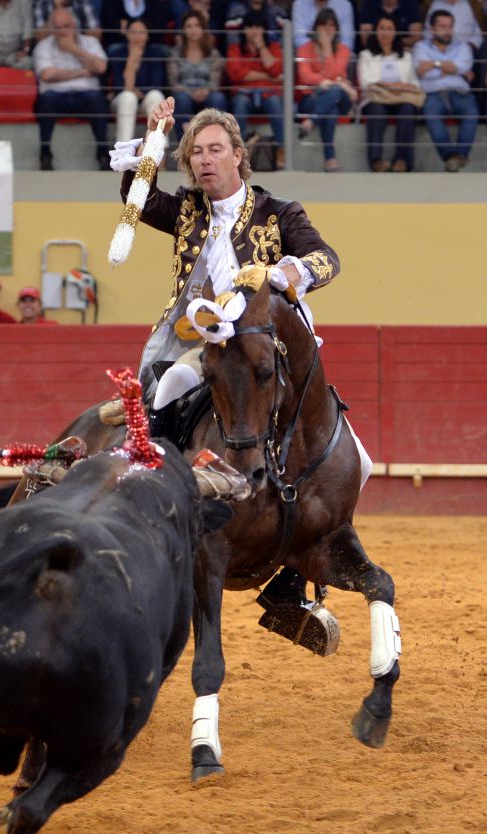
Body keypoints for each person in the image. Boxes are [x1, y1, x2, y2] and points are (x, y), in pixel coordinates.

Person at [112, 98, 363, 631]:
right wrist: (153, 138)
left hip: (265, 345)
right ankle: (154, 484)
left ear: (238, 156)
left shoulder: (279, 212)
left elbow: (327, 259)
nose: (204, 160)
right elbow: (137, 200)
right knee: (168, 384)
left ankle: (300, 567)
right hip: (202, 339)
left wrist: (286, 274)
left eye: (215, 149)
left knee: (355, 460)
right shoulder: (187, 210)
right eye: (195, 152)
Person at [32, 6, 109, 171]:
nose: (62, 31)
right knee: (45, 100)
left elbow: (100, 67)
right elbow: (47, 74)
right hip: (56, 97)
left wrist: (74, 49)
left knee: (96, 99)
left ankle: (103, 153)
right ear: (52, 29)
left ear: (74, 25)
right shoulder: (43, 46)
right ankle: (45, 153)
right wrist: (83, 72)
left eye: (66, 26)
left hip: (86, 97)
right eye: (58, 27)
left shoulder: (90, 42)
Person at [413, 8, 478, 171]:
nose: (448, 31)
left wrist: (434, 64)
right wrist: (451, 68)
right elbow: (424, 72)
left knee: (471, 112)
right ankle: (450, 156)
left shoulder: (462, 46)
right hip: (433, 94)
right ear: (432, 28)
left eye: (450, 26)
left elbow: (464, 66)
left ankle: (460, 155)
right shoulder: (420, 47)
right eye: (442, 26)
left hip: (460, 92)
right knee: (431, 114)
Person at [357, 14, 423, 171]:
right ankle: (376, 161)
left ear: (396, 32)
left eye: (389, 28)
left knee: (408, 110)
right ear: (375, 31)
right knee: (376, 110)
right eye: (381, 28)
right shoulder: (366, 55)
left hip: (401, 98)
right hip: (377, 98)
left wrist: (403, 86)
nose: (385, 32)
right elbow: (365, 82)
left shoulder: (406, 56)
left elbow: (415, 83)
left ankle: (402, 160)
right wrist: (393, 86)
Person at [296, 7, 357, 173]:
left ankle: (311, 121)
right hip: (313, 98)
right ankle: (330, 159)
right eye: (323, 25)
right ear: (316, 28)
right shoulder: (304, 49)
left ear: (336, 29)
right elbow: (305, 76)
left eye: (331, 25)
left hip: (340, 98)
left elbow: (336, 71)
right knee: (332, 108)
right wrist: (330, 81)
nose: (328, 29)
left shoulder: (343, 49)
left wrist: (327, 49)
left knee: (335, 92)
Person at [225, 8, 284, 169]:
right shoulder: (235, 48)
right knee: (240, 103)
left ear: (264, 29)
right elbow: (236, 74)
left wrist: (262, 47)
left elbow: (276, 69)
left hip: (267, 94)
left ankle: (281, 150)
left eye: (258, 27)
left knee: (275, 102)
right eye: (250, 27)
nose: (254, 31)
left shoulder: (272, 47)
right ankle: (238, 154)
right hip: (243, 93)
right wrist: (267, 77)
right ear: (244, 29)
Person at [167, 7, 226, 142]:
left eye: (197, 25)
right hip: (184, 93)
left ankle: (215, 141)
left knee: (218, 98)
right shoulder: (175, 53)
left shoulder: (213, 54)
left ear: (203, 28)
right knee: (181, 99)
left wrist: (205, 91)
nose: (193, 30)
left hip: (207, 93)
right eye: (189, 26)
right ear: (183, 30)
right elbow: (173, 83)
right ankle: (184, 143)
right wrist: (191, 93)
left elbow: (215, 82)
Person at [108, 17, 168, 142]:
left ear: (147, 35)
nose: (137, 36)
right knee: (128, 97)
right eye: (133, 32)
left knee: (156, 95)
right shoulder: (117, 53)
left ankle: (158, 146)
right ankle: (124, 148)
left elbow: (157, 84)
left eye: (141, 32)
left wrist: (135, 91)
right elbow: (121, 87)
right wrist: (132, 59)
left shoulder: (155, 53)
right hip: (122, 102)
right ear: (127, 34)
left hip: (146, 102)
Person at [33, 0, 101, 42]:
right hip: (51, 52)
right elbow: (40, 38)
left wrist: (75, 47)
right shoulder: (40, 2)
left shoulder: (82, 1)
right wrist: (58, 8)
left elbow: (95, 34)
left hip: (81, 48)